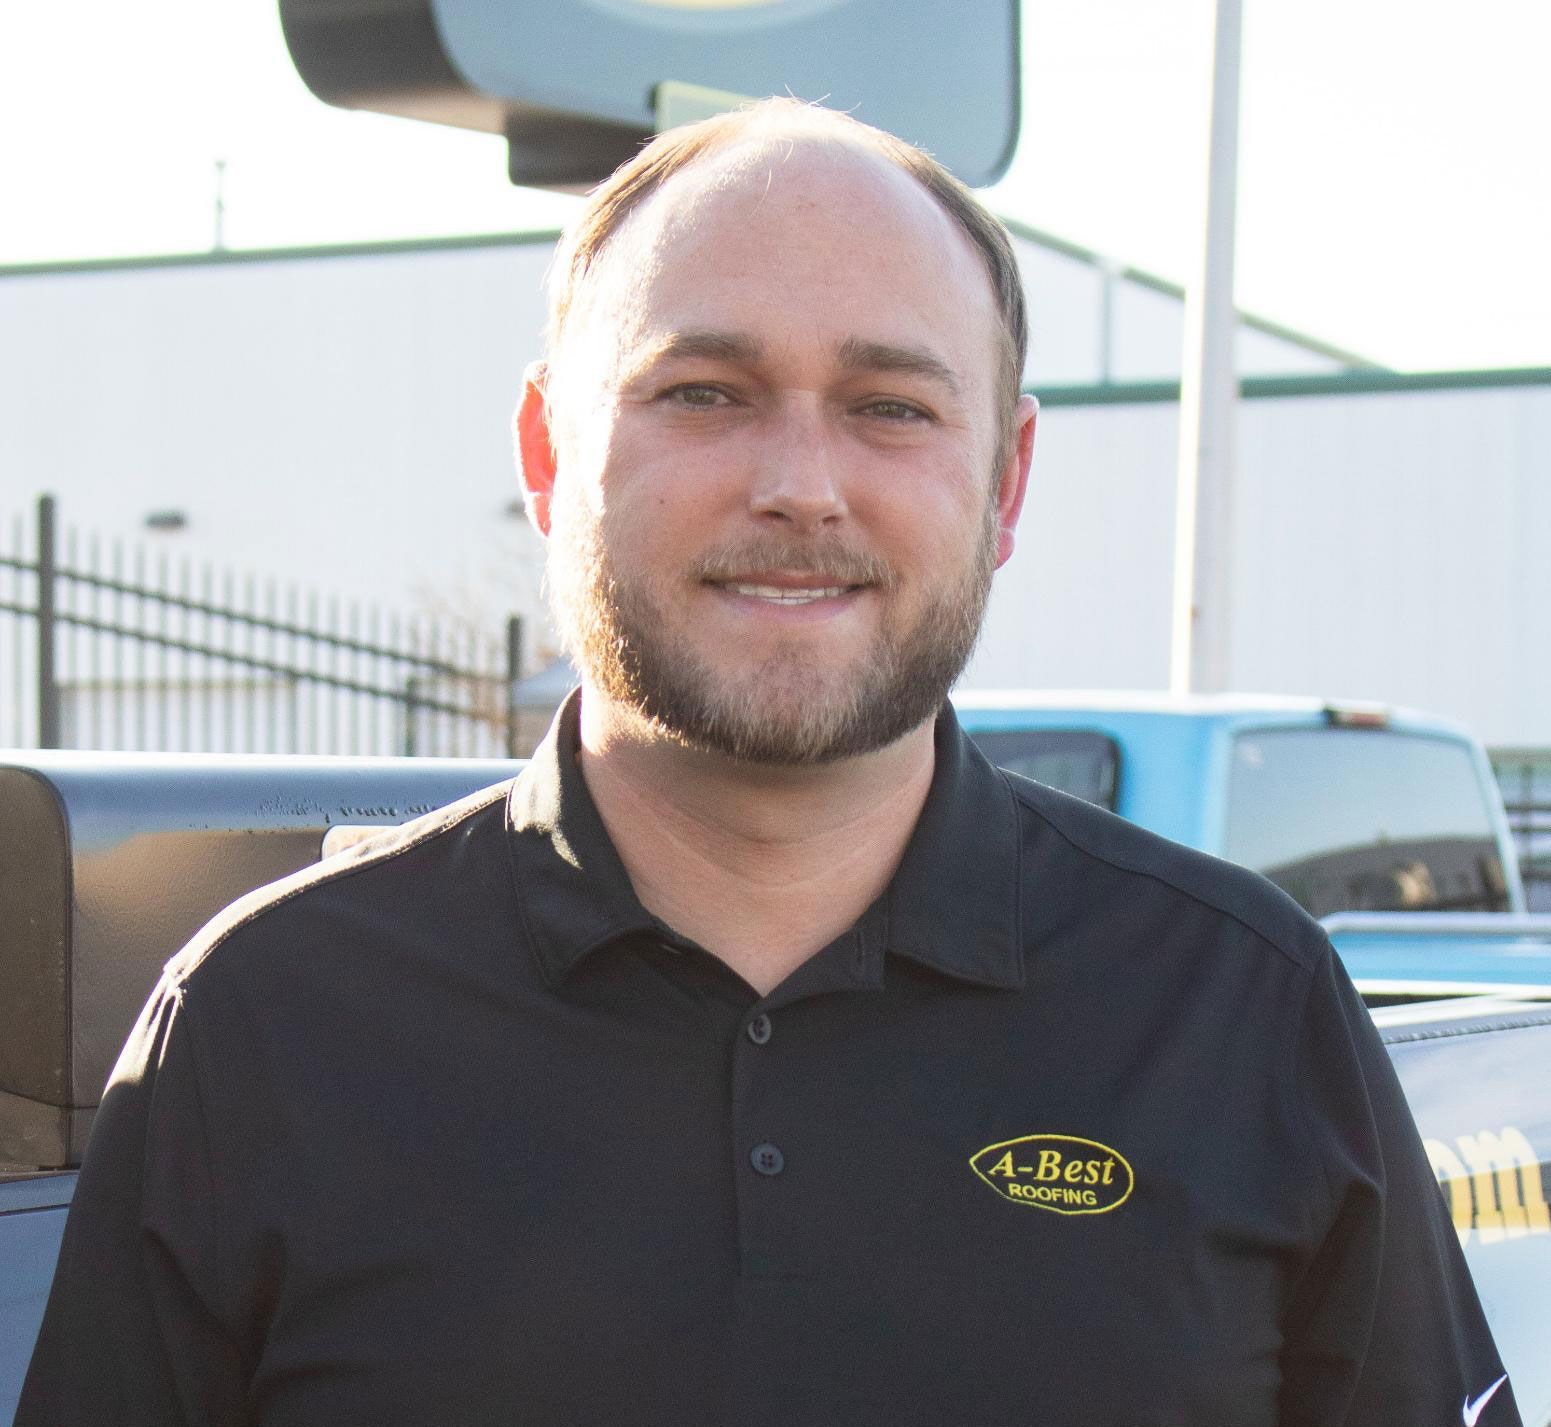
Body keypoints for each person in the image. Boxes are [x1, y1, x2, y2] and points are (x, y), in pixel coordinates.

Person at [19, 99, 1518, 1427]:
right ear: (550, 457)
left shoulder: (1243, 1008)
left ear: (1005, 481)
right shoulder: (264, 1026)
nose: (801, 485)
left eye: (890, 408)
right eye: (703, 392)